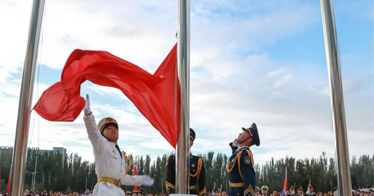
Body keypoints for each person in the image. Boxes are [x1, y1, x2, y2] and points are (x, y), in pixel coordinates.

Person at [83, 94, 154, 196]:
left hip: (118, 190)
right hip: (105, 190)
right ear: (102, 133)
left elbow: (122, 178)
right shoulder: (101, 145)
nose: (113, 129)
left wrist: (140, 179)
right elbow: (93, 132)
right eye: (108, 128)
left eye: (115, 128)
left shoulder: (119, 153)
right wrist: (88, 116)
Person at [165, 128, 206, 196]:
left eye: (188, 140)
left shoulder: (198, 161)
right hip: (177, 193)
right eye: (183, 139)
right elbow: (169, 183)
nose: (185, 142)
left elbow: (202, 186)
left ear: (192, 144)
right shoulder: (172, 159)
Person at [227, 123, 260, 196]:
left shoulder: (244, 154)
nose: (240, 133)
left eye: (244, 133)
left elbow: (249, 179)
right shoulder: (239, 153)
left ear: (249, 139)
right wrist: (234, 148)